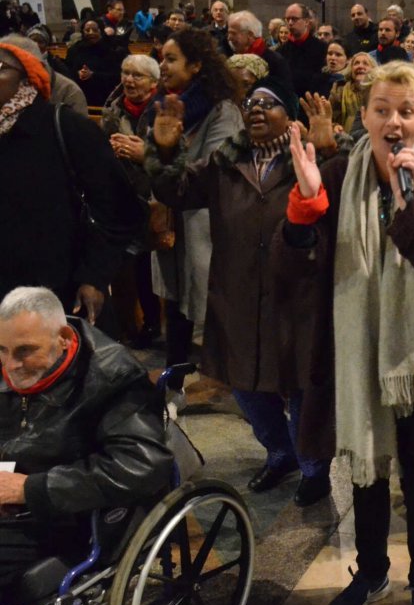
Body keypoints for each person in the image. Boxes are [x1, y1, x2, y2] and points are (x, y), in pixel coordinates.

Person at [283, 60, 414, 605]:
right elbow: (295, 265)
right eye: (382, 110)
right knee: (364, 474)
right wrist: (305, 205)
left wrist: (406, 202)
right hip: (355, 352)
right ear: (363, 115)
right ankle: (371, 573)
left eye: (406, 111)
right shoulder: (338, 176)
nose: (394, 122)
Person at [149, 77, 338, 506]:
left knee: (301, 385)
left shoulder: (305, 161)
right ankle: (279, 452)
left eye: (268, 103)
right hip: (237, 293)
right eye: (250, 102)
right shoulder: (224, 162)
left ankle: (313, 466)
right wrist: (164, 150)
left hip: (297, 295)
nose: (255, 108)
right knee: (247, 383)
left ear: (289, 117)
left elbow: (343, 200)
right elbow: (174, 191)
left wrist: (328, 151)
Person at [0, 287, 173, 598]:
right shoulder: (11, 360)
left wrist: (28, 489)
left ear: (64, 338)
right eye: (2, 350)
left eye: (25, 351)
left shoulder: (112, 375)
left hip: (73, 514)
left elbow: (140, 466)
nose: (10, 365)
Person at [0, 41, 142, 329]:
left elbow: (118, 207)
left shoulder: (64, 126)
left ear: (27, 76)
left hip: (58, 289)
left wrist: (95, 275)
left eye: (1, 68)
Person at [143, 28, 242, 372]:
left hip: (204, 220)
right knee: (174, 297)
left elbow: (217, 167)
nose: (163, 66)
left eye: (171, 59)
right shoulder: (165, 105)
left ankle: (223, 377)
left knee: (208, 301)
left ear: (197, 65)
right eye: (161, 59)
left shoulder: (222, 111)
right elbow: (154, 158)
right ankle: (177, 370)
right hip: (171, 214)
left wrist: (169, 153)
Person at [102, 53, 162, 346]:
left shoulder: (166, 109)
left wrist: (144, 154)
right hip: (126, 196)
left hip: (158, 196)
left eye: (137, 75)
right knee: (130, 264)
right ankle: (132, 325)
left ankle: (156, 321)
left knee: (154, 265)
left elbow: (178, 155)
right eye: (125, 73)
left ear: (153, 82)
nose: (128, 79)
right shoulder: (113, 111)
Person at [66, 18, 124, 106]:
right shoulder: (75, 50)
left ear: (101, 31)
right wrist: (78, 73)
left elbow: (117, 76)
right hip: (80, 96)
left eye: (95, 30)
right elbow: (67, 72)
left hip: (104, 96)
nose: (91, 33)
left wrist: (93, 75)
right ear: (82, 32)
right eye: (87, 30)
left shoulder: (112, 50)